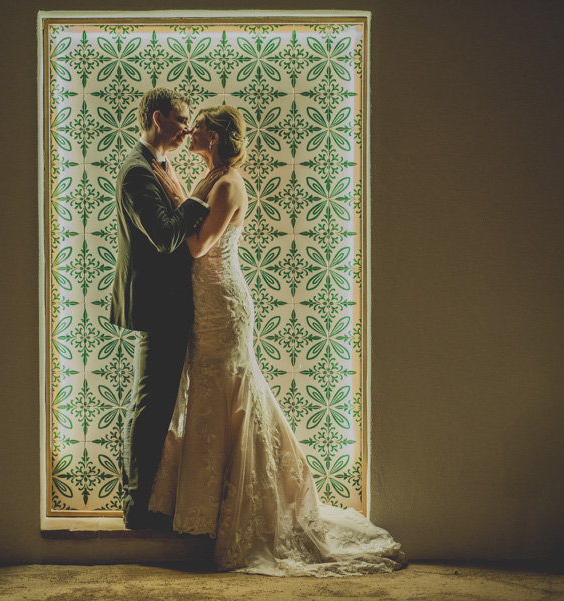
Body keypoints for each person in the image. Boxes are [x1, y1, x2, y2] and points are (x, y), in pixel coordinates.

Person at [147, 105, 406, 576]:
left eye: (202, 125)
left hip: (224, 304)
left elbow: (199, 246)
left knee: (231, 393)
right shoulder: (209, 178)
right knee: (209, 395)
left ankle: (252, 510)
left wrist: (177, 212)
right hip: (204, 304)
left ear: (219, 137)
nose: (194, 130)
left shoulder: (227, 185)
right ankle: (209, 509)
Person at [110, 88, 225, 530]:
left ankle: (146, 498)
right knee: (150, 404)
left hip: (171, 302)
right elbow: (165, 237)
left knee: (156, 402)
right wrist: (198, 202)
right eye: (181, 120)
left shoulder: (162, 166)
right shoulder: (138, 172)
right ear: (159, 119)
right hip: (157, 306)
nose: (188, 128)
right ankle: (136, 507)